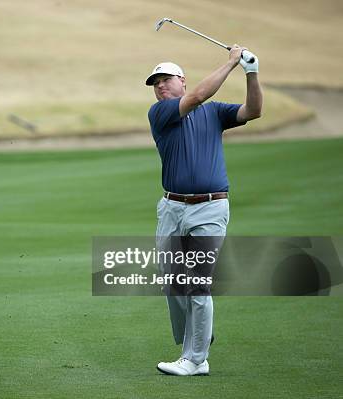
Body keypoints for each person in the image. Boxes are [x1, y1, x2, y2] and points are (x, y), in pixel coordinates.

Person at [146, 45, 263, 376]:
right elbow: (196, 97)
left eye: (166, 80)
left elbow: (253, 111)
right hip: (171, 208)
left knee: (197, 283)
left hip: (209, 209)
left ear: (181, 80)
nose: (160, 86)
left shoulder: (215, 112)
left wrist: (251, 72)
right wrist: (231, 63)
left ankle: (196, 358)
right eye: (155, 83)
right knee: (172, 281)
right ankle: (199, 333)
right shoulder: (160, 114)